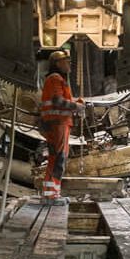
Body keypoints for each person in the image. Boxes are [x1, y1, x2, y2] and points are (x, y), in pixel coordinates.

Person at [39, 50, 84, 205]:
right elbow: (58, 101)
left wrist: (74, 103)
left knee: (54, 159)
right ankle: (52, 196)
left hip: (55, 123)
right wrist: (76, 106)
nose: (69, 63)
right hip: (58, 123)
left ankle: (49, 194)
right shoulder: (55, 78)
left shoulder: (54, 79)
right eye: (66, 61)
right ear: (57, 63)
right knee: (59, 159)